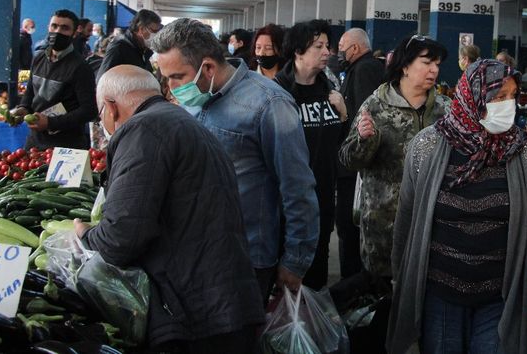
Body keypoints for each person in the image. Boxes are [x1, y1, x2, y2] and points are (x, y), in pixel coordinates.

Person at [75, 65, 263, 351]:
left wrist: (86, 235)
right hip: (223, 299)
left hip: (197, 313)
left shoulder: (143, 130)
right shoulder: (181, 122)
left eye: (100, 114)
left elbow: (121, 237)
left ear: (111, 107)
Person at [387, 59, 527, 354]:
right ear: (473, 97)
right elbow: (407, 215)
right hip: (439, 293)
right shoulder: (427, 146)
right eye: (498, 97)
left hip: (500, 296)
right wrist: (400, 279)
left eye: (512, 96)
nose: (508, 105)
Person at [152, 18, 319, 303]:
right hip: (195, 248)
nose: (171, 86)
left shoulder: (269, 104)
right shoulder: (197, 97)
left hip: (244, 259)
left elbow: (297, 187)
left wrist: (295, 260)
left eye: (177, 77)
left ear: (208, 67)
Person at [339, 34, 450, 280]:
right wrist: (364, 140)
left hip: (432, 227)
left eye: (437, 64)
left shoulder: (446, 110)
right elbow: (348, 159)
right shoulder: (376, 106)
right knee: (384, 293)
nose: (434, 70)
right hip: (384, 227)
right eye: (426, 62)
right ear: (405, 66)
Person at [275, 19, 347, 290]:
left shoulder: (330, 90)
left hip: (323, 197)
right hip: (286, 204)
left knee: (316, 277)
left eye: (327, 46)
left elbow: (341, 143)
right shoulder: (278, 92)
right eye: (318, 46)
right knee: (283, 282)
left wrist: (344, 114)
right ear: (298, 51)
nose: (327, 52)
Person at [334, 27, 385, 279]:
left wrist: (343, 114)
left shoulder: (364, 70)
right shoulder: (361, 68)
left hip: (356, 165)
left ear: (355, 48)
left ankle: (353, 283)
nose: (338, 52)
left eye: (341, 47)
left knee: (349, 225)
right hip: (352, 162)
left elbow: (363, 117)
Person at [13, 9, 97, 150]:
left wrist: (51, 123)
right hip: (35, 143)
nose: (58, 31)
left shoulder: (80, 67)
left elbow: (89, 110)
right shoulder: (38, 58)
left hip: (66, 146)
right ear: (48, 27)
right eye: (54, 26)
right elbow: (30, 92)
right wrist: (23, 108)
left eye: (65, 28)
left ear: (74, 33)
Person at [97, 9, 162, 80]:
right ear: (141, 29)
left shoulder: (144, 50)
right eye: (154, 31)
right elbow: (102, 79)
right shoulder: (119, 48)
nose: (156, 35)